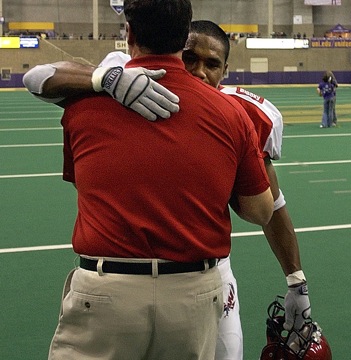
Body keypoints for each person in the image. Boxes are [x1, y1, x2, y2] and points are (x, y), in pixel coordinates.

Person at [23, 19, 312, 360]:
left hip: (206, 272)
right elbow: (41, 76)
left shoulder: (243, 114)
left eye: (212, 64)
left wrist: (297, 280)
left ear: (226, 71)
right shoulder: (124, 77)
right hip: (127, 272)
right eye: (190, 58)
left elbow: (270, 207)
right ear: (176, 51)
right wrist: (104, 79)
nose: (200, 72)